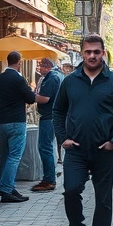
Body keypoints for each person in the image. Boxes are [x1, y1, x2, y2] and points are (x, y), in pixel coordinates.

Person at [52, 33, 113, 226]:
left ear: (103, 53)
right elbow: (58, 111)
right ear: (82, 53)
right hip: (75, 150)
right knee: (70, 190)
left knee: (103, 199)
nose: (92, 56)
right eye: (88, 52)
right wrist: (63, 138)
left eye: (97, 52)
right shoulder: (70, 81)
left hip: (103, 151)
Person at [0, 51, 36, 203]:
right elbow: (30, 99)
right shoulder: (18, 79)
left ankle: (8, 187)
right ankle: (5, 187)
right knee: (15, 156)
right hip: (16, 122)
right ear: (19, 63)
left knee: (5, 155)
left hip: (1, 122)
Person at [31, 58, 63, 192]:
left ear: (48, 66)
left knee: (45, 147)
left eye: (41, 66)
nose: (39, 68)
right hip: (53, 116)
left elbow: (44, 98)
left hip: (49, 117)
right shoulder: (58, 76)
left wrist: (30, 95)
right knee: (48, 147)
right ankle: (49, 177)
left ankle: (49, 180)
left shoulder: (51, 78)